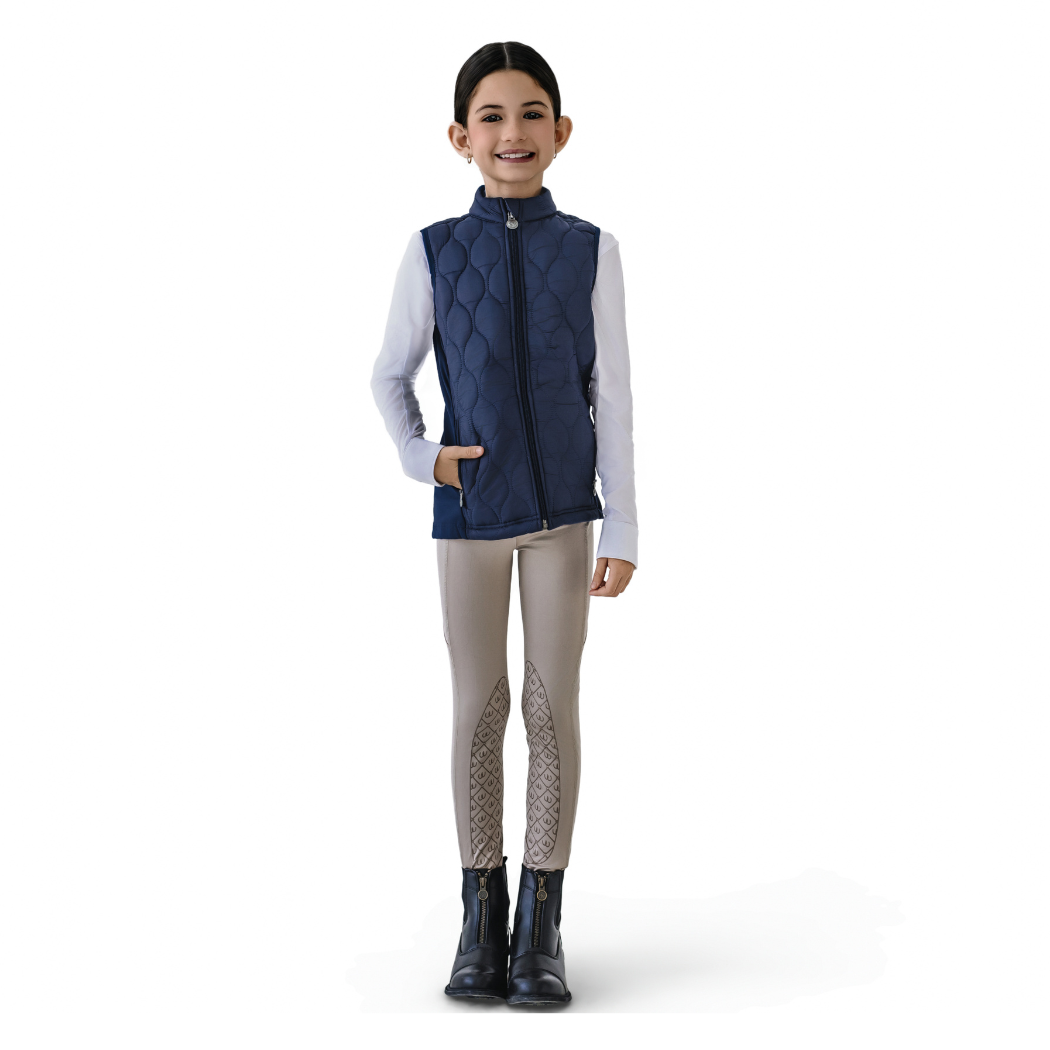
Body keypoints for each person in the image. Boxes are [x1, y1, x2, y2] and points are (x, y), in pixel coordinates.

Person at [370, 41, 637, 1006]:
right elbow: (388, 375)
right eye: (491, 117)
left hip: (562, 514)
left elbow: (614, 395)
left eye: (531, 116)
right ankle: (481, 917)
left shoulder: (592, 249)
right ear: (460, 137)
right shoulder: (435, 249)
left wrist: (623, 527)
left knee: (550, 707)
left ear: (559, 133)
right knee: (478, 709)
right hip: (470, 513)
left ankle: (542, 923)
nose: (512, 133)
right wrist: (424, 458)